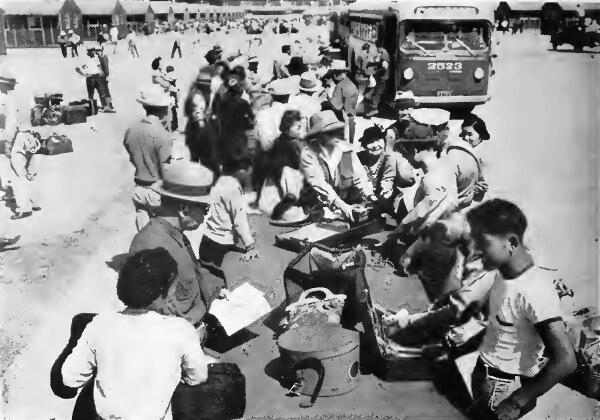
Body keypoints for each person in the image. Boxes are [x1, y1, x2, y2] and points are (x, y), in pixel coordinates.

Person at [60, 248, 215, 420]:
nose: (174, 294)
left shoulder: (99, 325)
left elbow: (69, 378)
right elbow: (198, 377)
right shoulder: (181, 330)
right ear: (160, 292)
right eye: (174, 287)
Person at [465, 199, 577, 420]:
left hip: (503, 389)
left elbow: (566, 360)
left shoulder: (534, 290)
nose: (476, 252)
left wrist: (517, 401)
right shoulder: (504, 271)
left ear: (512, 242)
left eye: (483, 244)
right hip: (487, 374)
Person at [129, 161, 227, 333]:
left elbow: (190, 275)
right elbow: (156, 314)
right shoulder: (151, 247)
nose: (206, 216)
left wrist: (215, 288)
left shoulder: (174, 234)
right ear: (184, 209)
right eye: (205, 209)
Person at [300, 110, 375, 221]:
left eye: (336, 131)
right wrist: (341, 205)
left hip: (345, 203)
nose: (335, 136)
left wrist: (369, 195)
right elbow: (319, 185)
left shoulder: (347, 150)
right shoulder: (308, 156)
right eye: (328, 133)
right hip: (317, 206)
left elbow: (360, 178)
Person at [200, 155, 259, 281]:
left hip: (208, 239)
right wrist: (250, 246)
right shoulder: (233, 187)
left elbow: (225, 214)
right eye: (249, 171)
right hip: (219, 244)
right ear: (241, 171)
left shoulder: (220, 180)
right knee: (214, 284)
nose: (250, 175)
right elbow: (239, 219)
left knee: (205, 276)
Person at [123, 86, 173, 231]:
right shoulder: (162, 134)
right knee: (161, 235)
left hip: (138, 187)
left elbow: (130, 153)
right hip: (156, 189)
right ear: (164, 110)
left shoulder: (131, 129)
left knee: (143, 232)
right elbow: (166, 166)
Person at [255, 109, 306, 218]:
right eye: (298, 127)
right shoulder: (294, 144)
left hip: (278, 175)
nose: (300, 130)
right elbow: (300, 162)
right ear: (288, 128)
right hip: (289, 176)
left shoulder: (278, 140)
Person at [357, 125, 415, 215]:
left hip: (389, 207)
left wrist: (386, 190)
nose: (376, 145)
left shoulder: (391, 158)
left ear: (384, 141)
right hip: (365, 206)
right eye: (370, 141)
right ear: (364, 145)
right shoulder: (358, 158)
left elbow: (405, 180)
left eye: (378, 140)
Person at [213, 73, 255, 164]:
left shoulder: (222, 101)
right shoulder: (243, 103)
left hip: (223, 143)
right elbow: (252, 121)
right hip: (238, 142)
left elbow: (217, 116)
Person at [184, 69, 220, 173]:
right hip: (198, 128)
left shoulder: (194, 93)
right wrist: (203, 126)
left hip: (192, 128)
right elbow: (198, 112)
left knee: (195, 155)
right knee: (204, 155)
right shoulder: (198, 96)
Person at [7, 130, 42, 220]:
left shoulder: (24, 136)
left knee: (21, 183)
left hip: (19, 153)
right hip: (18, 155)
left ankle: (27, 206)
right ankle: (27, 207)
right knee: (21, 183)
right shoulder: (24, 138)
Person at [329, 60, 359, 143]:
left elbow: (350, 108)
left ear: (336, 75)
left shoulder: (348, 86)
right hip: (339, 112)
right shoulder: (343, 83)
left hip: (343, 115)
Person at [75, 47, 109, 114]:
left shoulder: (95, 57)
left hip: (97, 76)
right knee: (91, 94)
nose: (94, 53)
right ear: (88, 52)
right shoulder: (84, 59)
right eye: (92, 52)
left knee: (101, 92)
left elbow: (99, 66)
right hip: (90, 78)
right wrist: (83, 74)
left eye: (94, 52)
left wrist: (102, 73)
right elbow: (77, 68)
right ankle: (92, 108)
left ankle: (105, 107)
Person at [165, 65, 180, 132]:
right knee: (172, 113)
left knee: (170, 113)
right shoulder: (171, 79)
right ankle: (173, 126)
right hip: (171, 99)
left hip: (170, 99)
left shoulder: (168, 78)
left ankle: (172, 126)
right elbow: (175, 91)